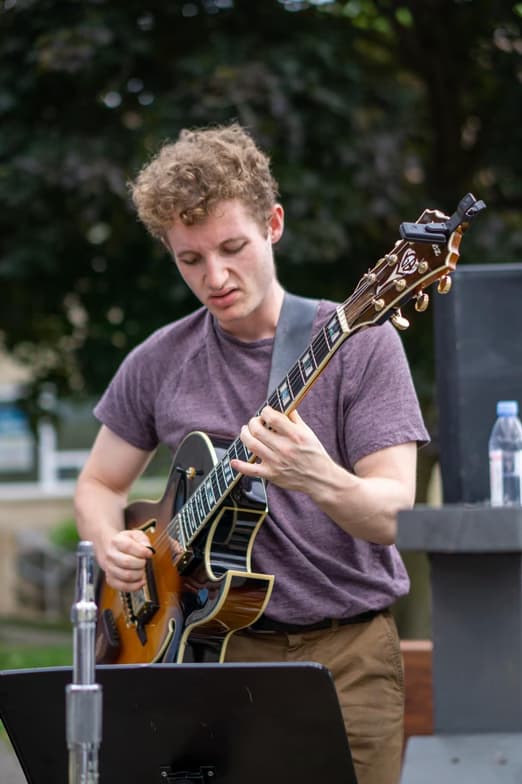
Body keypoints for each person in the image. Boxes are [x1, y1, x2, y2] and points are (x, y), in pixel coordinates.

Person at [74, 122, 429, 784]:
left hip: (346, 654)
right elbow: (98, 484)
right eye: (190, 259)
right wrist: (108, 542)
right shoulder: (159, 359)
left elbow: (393, 515)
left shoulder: (361, 343)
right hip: (210, 658)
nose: (214, 276)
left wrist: (319, 478)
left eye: (232, 247)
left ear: (273, 223)